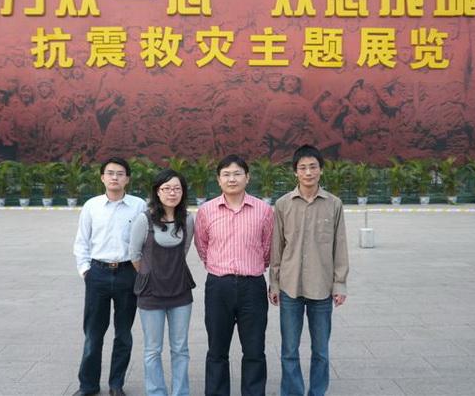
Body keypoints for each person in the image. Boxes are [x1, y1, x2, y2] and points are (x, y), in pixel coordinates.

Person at [269, 144, 349, 396]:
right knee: (289, 350)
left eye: (313, 167)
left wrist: (339, 284)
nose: (308, 172)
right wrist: (274, 284)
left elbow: (340, 247)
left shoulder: (334, 204)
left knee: (321, 350)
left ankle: (317, 392)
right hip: (289, 287)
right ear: (295, 172)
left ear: (321, 170)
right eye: (302, 167)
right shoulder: (283, 204)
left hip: (322, 287)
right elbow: (277, 248)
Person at [194, 155, 274, 396]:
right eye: (226, 174)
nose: (232, 179)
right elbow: (202, 246)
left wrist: (253, 266)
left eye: (237, 173)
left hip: (253, 286)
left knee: (254, 349)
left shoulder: (263, 210)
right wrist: (219, 266)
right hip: (219, 286)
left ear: (247, 177)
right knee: (217, 349)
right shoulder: (206, 211)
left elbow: (268, 247)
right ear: (218, 179)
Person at [72, 157, 147, 396]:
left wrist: (140, 271)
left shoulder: (138, 206)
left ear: (127, 179)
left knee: (123, 334)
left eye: (120, 173)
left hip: (127, 274)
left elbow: (146, 241)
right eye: (110, 173)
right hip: (98, 274)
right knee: (93, 335)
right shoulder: (92, 206)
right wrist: (86, 270)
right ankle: (88, 386)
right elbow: (82, 241)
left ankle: (116, 384)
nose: (115, 177)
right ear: (102, 177)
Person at [129, 169, 196, 396]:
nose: (172, 193)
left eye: (177, 188)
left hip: (180, 291)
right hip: (150, 293)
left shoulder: (188, 219)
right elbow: (134, 254)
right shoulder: (144, 219)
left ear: (183, 192)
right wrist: (150, 274)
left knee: (180, 349)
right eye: (166, 188)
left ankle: (180, 392)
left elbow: (185, 248)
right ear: (157, 192)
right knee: (152, 349)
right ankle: (156, 392)